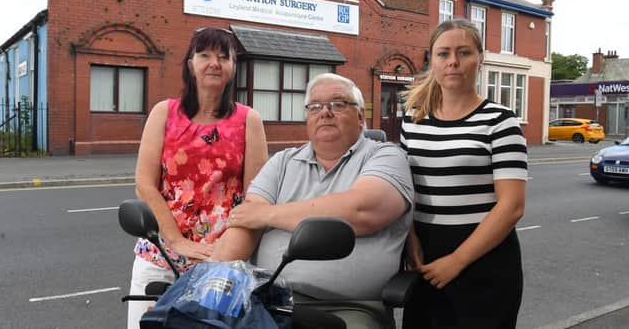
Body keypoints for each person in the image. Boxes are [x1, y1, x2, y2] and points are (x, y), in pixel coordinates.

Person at [212, 73, 414, 328]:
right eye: (315, 106)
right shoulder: (282, 162)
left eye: (338, 104)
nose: (325, 112)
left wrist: (267, 215)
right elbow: (244, 225)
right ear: (307, 117)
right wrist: (208, 289)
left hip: (348, 308)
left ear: (361, 116)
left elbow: (361, 210)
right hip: (270, 299)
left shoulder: (386, 157)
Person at [127, 27, 268, 329]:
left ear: (233, 68)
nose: (214, 63)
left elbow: (256, 198)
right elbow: (145, 184)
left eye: (223, 56)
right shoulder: (164, 113)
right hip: (161, 257)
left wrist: (225, 254)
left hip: (222, 263)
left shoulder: (249, 120)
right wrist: (177, 241)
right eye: (204, 55)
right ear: (190, 64)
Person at [401, 18, 527, 328]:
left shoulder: (501, 121)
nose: (453, 62)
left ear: (480, 59)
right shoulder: (413, 120)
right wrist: (409, 238)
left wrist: (456, 261)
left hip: (484, 259)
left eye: (464, 53)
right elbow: (406, 191)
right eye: (443, 54)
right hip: (425, 256)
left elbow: (511, 206)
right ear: (432, 60)